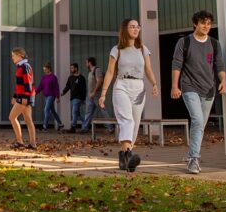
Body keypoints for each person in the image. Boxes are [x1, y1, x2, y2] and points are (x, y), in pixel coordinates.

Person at [99, 18, 159, 172]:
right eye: (132, 27)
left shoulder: (143, 49)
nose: (136, 29)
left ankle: (124, 157)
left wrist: (154, 84)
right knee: (127, 121)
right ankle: (129, 155)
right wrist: (104, 93)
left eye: (137, 27)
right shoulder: (116, 49)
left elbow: (148, 69)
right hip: (122, 86)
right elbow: (110, 72)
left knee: (135, 124)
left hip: (139, 87)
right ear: (125, 29)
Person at [171, 10, 226, 174]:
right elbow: (176, 65)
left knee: (200, 125)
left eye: (209, 23)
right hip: (189, 87)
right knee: (197, 120)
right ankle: (194, 159)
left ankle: (190, 156)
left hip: (209, 89)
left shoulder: (215, 44)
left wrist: (223, 80)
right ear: (195, 24)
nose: (206, 26)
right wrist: (175, 86)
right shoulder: (184, 42)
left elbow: (220, 66)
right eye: (203, 23)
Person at [8, 47, 38, 150]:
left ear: (20, 55)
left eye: (13, 56)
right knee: (28, 120)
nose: (12, 58)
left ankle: (20, 142)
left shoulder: (25, 66)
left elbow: (28, 83)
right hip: (23, 96)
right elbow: (19, 84)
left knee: (12, 117)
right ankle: (32, 144)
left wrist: (25, 97)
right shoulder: (21, 66)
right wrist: (15, 96)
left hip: (25, 97)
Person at [85, 57, 109, 133]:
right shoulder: (90, 72)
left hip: (96, 95)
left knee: (103, 111)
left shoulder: (97, 70)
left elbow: (100, 81)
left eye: (86, 62)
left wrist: (94, 92)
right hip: (90, 96)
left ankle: (110, 128)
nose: (85, 64)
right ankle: (85, 128)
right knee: (88, 112)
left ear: (90, 63)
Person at [61, 63, 87, 133]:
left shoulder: (82, 78)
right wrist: (63, 92)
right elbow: (67, 86)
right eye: (70, 68)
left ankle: (73, 127)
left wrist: (83, 98)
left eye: (72, 68)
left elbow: (84, 89)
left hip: (78, 98)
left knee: (74, 112)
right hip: (73, 98)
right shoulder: (70, 78)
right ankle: (86, 124)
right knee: (77, 114)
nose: (71, 69)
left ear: (76, 68)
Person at [37, 63, 62, 131]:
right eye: (43, 70)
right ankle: (60, 124)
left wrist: (58, 97)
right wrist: (34, 93)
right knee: (52, 111)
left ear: (49, 69)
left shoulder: (53, 77)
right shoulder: (44, 77)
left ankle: (45, 127)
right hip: (46, 96)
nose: (44, 71)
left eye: (45, 69)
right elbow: (40, 87)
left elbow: (56, 87)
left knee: (46, 109)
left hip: (51, 96)